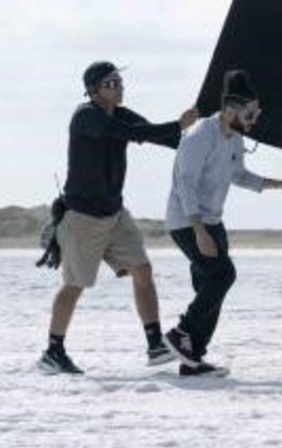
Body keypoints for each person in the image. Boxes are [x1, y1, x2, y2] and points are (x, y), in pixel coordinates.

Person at [38, 62, 199, 375]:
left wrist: (206, 129)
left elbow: (163, 137)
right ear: (93, 90)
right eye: (112, 83)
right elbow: (131, 134)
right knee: (74, 285)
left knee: (142, 269)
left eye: (120, 81)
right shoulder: (86, 116)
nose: (119, 87)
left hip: (115, 213)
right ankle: (53, 352)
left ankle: (154, 344)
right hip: (82, 218)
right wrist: (177, 125)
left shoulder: (120, 113)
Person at [163, 70, 282, 378]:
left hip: (212, 219)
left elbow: (239, 175)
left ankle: (193, 359)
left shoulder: (235, 138)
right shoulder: (200, 135)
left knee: (209, 287)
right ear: (229, 110)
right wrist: (198, 230)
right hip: (186, 220)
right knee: (223, 275)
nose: (254, 120)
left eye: (257, 113)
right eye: (250, 114)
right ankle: (180, 333)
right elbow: (185, 183)